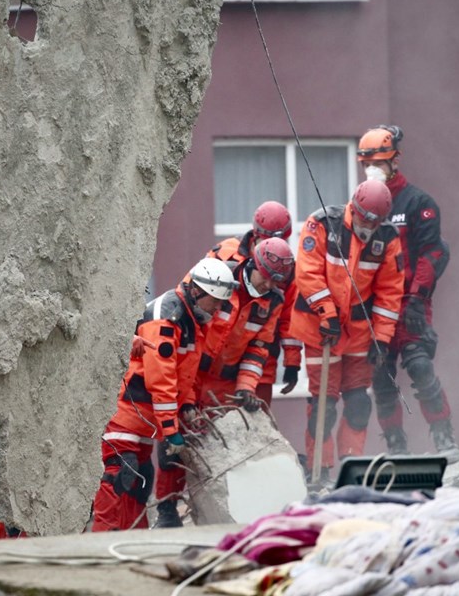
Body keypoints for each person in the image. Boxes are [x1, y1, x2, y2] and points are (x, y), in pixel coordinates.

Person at [153, 236, 295, 527]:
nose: (268, 286)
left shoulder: (272, 303)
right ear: (254, 264)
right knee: (175, 441)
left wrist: (245, 388)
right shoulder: (219, 278)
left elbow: (259, 350)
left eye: (275, 282)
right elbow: (187, 313)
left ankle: (220, 510)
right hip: (193, 369)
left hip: (224, 385)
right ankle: (167, 509)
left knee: (214, 449)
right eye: (265, 278)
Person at [91, 258, 237, 531]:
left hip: (143, 420)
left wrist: (189, 406)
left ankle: (132, 542)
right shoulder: (167, 317)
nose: (218, 308)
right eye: (215, 301)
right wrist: (171, 431)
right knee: (118, 478)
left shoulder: (192, 321)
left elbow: (185, 376)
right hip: (126, 414)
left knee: (139, 480)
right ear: (197, 291)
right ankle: (103, 543)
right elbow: (161, 379)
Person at [289, 180, 404, 486]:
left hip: (359, 334)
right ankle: (320, 471)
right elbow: (307, 273)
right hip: (321, 331)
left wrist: (382, 338)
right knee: (323, 403)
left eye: (374, 221)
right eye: (365, 219)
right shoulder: (323, 224)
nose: (368, 226)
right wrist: (327, 313)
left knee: (358, 402)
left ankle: (353, 467)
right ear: (355, 208)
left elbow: (390, 293)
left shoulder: (387, 238)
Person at [357, 125, 459, 462]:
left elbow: (433, 252)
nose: (373, 170)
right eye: (367, 164)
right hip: (376, 310)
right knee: (381, 377)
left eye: (379, 163)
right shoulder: (362, 204)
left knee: (419, 366)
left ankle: (443, 433)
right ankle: (396, 444)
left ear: (394, 161)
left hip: (411, 303)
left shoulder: (418, 202)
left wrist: (417, 297)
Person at [204, 201, 303, 407]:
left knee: (253, 413)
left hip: (260, 349)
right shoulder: (225, 254)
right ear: (256, 234)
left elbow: (288, 318)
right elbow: (198, 298)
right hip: (212, 353)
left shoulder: (286, 269)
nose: (268, 284)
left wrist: (292, 361)